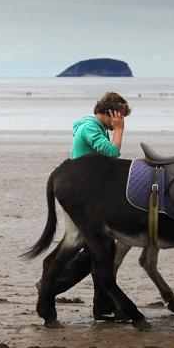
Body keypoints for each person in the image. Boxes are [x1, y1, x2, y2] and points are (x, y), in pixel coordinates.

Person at [46, 92, 131, 320]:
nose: (120, 122)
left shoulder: (95, 128)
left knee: (99, 254)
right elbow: (112, 153)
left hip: (91, 197)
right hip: (84, 198)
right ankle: (48, 287)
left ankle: (101, 307)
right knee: (97, 253)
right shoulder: (91, 128)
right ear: (112, 112)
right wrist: (120, 131)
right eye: (120, 116)